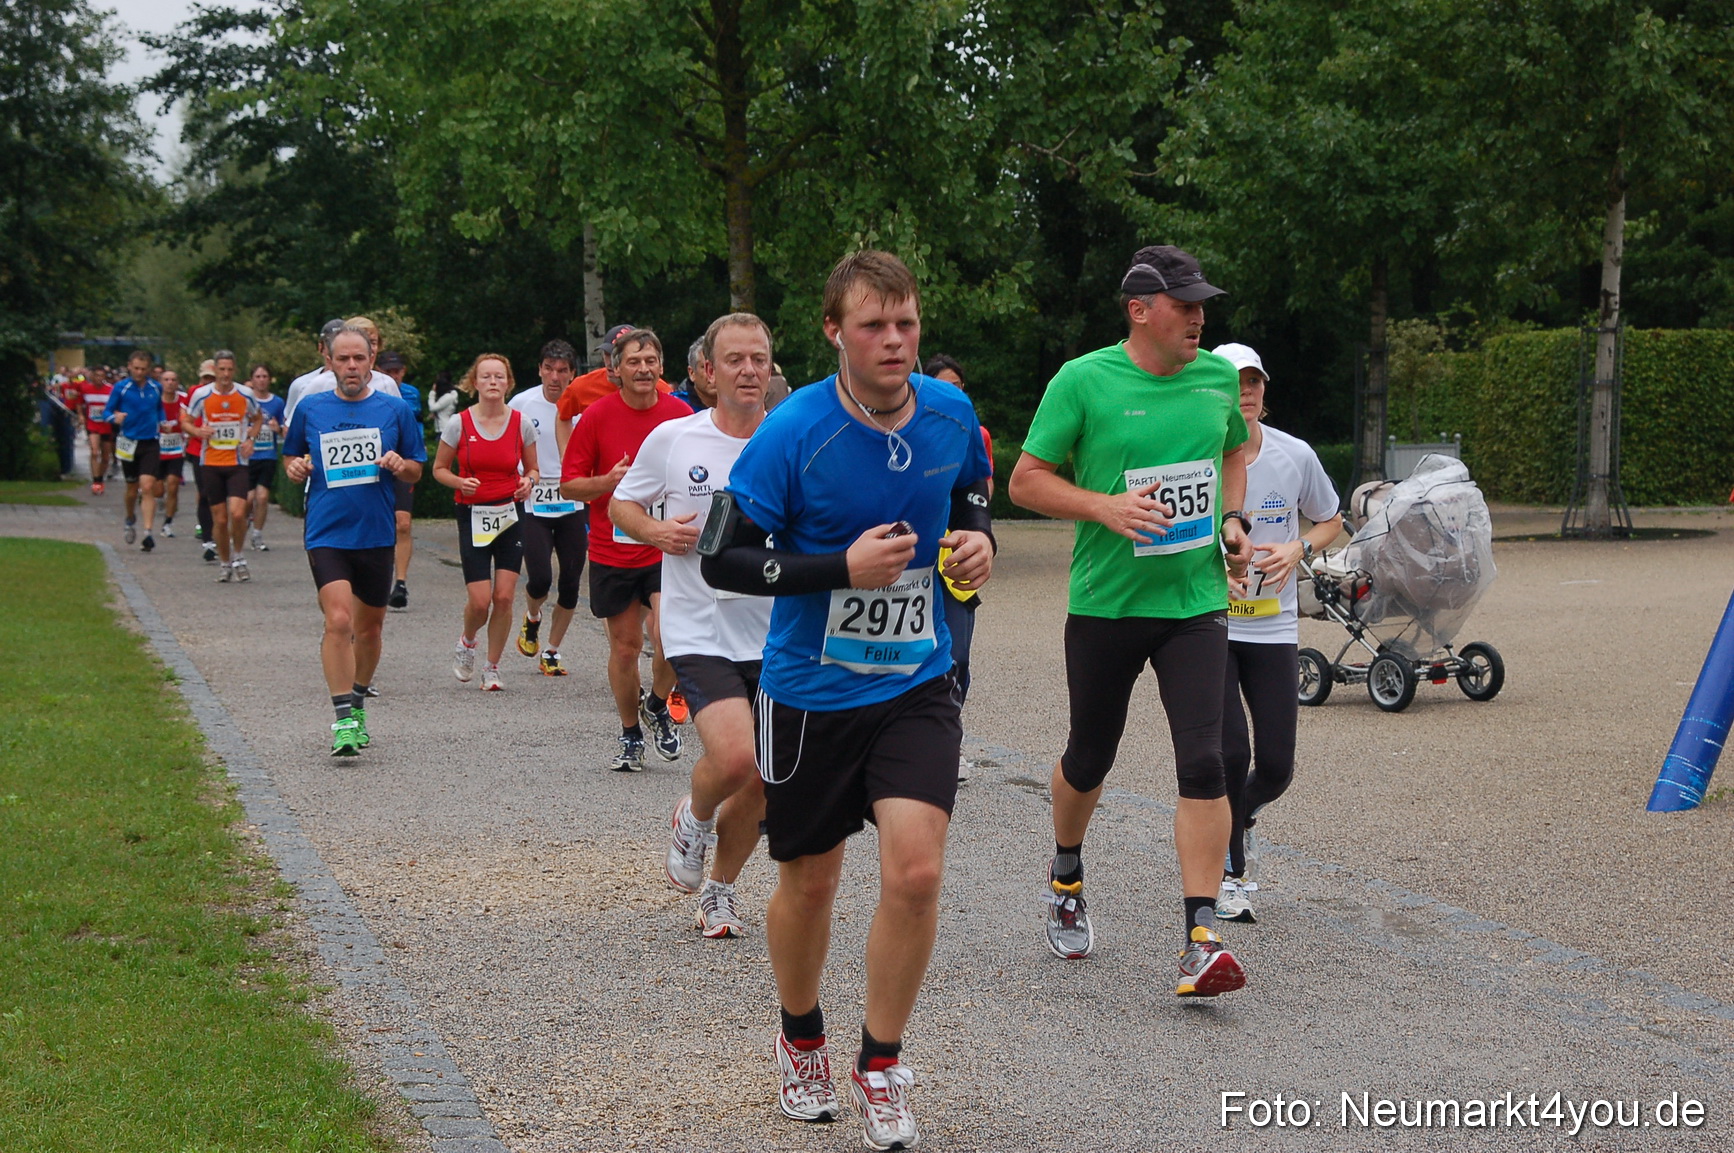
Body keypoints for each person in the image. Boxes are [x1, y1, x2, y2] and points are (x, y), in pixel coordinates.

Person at [701, 251, 993, 1149]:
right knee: (812, 880)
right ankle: (800, 1037)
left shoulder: (949, 412)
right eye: (874, 325)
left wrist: (975, 543)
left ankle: (881, 1060)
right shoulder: (793, 431)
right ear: (834, 331)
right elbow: (722, 557)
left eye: (905, 322)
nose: (895, 340)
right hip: (809, 695)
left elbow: (971, 494)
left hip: (915, 681)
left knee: (916, 870)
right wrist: (838, 568)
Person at [1008, 245, 1254, 998]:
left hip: (1194, 603)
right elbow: (1024, 481)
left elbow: (1235, 452)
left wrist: (1234, 520)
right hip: (1108, 604)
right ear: (1139, 309)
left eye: (1202, 303)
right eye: (1185, 305)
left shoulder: (1216, 377)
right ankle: (1067, 869)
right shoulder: (1083, 380)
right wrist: (1103, 506)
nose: (1199, 316)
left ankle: (1201, 936)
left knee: (1207, 760)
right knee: (1091, 754)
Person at [613, 313, 775, 938]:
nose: (749, 371)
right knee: (734, 758)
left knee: (763, 779)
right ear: (709, 371)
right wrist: (653, 530)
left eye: (759, 358)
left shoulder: (788, 442)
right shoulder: (675, 439)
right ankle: (695, 814)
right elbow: (623, 501)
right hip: (696, 625)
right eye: (735, 359)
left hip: (771, 630)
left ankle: (721, 890)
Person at [1207, 343, 1342, 924]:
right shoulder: (1198, 456)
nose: (1246, 392)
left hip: (1273, 627)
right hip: (1209, 624)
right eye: (1236, 382)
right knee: (1232, 752)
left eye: (1255, 382)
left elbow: (1332, 517)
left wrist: (1300, 546)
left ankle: (1235, 818)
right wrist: (1217, 569)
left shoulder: (1295, 455)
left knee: (1278, 766)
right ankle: (1231, 875)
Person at [282, 325, 427, 756]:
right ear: (328, 360)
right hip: (326, 530)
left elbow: (418, 467)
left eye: (359, 359)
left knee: (370, 627)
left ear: (371, 363)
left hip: (375, 531)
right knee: (338, 621)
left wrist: (401, 465)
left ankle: (359, 698)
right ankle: (344, 720)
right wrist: (294, 468)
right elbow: (292, 454)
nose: (351, 367)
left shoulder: (393, 410)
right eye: (342, 359)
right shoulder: (311, 408)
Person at [560, 327, 688, 771]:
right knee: (627, 647)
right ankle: (631, 731)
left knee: (671, 636)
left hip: (665, 547)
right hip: (613, 547)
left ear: (662, 367)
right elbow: (568, 485)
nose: (643, 369)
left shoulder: (679, 415)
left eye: (651, 360)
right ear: (615, 370)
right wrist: (608, 483)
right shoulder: (596, 416)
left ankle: (656, 705)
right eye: (633, 362)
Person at [432, 353, 538, 691]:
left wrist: (529, 482)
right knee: (480, 601)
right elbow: (438, 470)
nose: (493, 382)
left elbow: (533, 469)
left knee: (505, 597)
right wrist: (460, 483)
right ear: (473, 383)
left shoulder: (521, 423)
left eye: (499, 377)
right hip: (473, 514)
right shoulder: (458, 423)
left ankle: (492, 667)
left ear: (508, 383)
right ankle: (467, 641)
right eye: (486, 377)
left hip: (509, 513)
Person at [921, 354, 997, 784]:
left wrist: (984, 538)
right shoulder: (906, 429)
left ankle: (950, 739)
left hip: (953, 556)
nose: (954, 395)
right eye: (944, 387)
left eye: (959, 387)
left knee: (958, 656)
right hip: (911, 555)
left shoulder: (972, 430)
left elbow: (980, 489)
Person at [508, 340, 585, 675]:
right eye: (549, 369)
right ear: (540, 369)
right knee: (539, 578)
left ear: (573, 374)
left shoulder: (585, 405)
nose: (555, 377)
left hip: (572, 499)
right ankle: (532, 616)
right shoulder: (522, 404)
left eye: (563, 370)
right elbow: (506, 447)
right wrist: (519, 478)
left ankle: (552, 651)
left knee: (570, 581)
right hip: (534, 500)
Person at [184, 351, 264, 582]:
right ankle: (225, 561)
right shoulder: (202, 395)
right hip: (210, 462)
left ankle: (239, 556)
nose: (226, 374)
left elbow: (257, 418)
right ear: (215, 370)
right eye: (222, 370)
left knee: (238, 513)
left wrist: (251, 439)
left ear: (234, 370)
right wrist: (198, 431)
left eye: (230, 370)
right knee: (219, 520)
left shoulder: (245, 394)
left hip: (237, 462)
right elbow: (186, 421)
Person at [553, 323, 677, 457]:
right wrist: (566, 456)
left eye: (617, 355)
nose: (611, 361)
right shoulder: (583, 386)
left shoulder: (660, 390)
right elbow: (562, 415)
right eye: (607, 354)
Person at [102, 350, 164, 552]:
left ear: (149, 370)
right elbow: (107, 412)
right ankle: (130, 517)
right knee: (131, 488)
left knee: (147, 487)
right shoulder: (121, 388)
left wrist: (163, 422)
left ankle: (148, 532)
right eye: (136, 368)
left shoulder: (156, 387)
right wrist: (115, 419)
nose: (139, 372)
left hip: (150, 442)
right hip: (129, 442)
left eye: (143, 369)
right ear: (129, 366)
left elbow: (159, 408)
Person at [378, 351, 420, 609]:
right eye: (388, 371)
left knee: (403, 523)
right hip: (375, 464)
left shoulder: (411, 394)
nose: (394, 376)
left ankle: (400, 583)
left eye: (398, 371)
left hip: (403, 463)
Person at [245, 363, 286, 551]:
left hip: (267, 455)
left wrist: (277, 429)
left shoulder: (277, 402)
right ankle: (241, 525)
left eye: (264, 376)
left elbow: (285, 430)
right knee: (247, 499)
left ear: (269, 379)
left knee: (262, 497)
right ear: (252, 380)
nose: (261, 380)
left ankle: (257, 534)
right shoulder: (245, 400)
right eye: (258, 376)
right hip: (247, 457)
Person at [186, 359, 219, 560]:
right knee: (205, 493)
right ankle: (208, 537)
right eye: (206, 377)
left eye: (212, 378)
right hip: (199, 449)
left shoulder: (229, 393)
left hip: (225, 452)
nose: (208, 381)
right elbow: (186, 419)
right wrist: (196, 431)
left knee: (221, 497)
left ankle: (219, 531)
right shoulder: (195, 393)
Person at [156, 369, 187, 535]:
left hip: (176, 450)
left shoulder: (182, 400)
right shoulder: (155, 400)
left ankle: (167, 523)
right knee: (158, 489)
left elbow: (188, 418)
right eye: (166, 380)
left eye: (173, 380)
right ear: (161, 382)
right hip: (157, 450)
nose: (170, 383)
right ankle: (159, 498)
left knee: (173, 486)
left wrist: (179, 426)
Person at [74, 369, 114, 494]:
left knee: (106, 457)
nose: (99, 378)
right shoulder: (86, 389)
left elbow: (116, 405)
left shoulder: (111, 390)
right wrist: (81, 415)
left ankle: (100, 478)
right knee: (94, 452)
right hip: (92, 424)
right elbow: (79, 403)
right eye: (97, 375)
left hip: (107, 425)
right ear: (92, 376)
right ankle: (96, 481)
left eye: (101, 375)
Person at [670, 337, 714, 412]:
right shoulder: (673, 406)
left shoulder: (738, 405)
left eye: (717, 366)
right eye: (705, 367)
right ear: (692, 373)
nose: (712, 373)